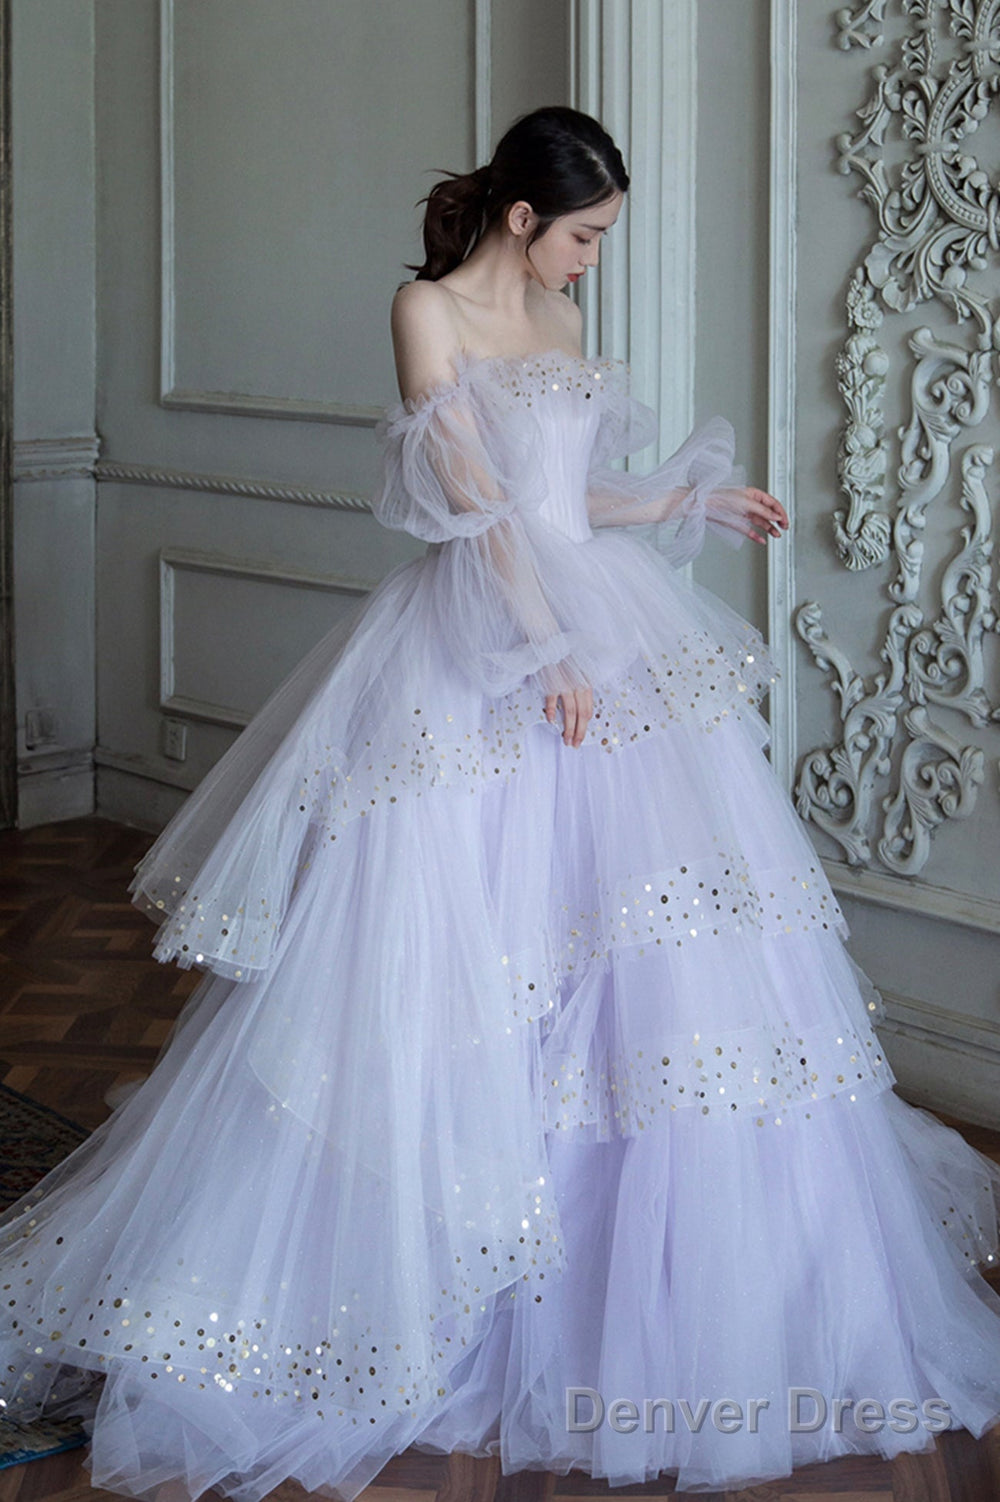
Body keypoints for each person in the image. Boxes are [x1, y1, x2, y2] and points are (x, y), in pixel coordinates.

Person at [1, 105, 999, 1502]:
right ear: (522, 217)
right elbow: (479, 508)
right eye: (584, 235)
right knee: (449, 947)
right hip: (482, 645)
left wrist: (691, 505)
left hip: (596, 628)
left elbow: (565, 500)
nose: (592, 261)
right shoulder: (426, 311)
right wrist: (547, 652)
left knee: (645, 954)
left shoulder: (562, 318)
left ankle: (639, 1278)